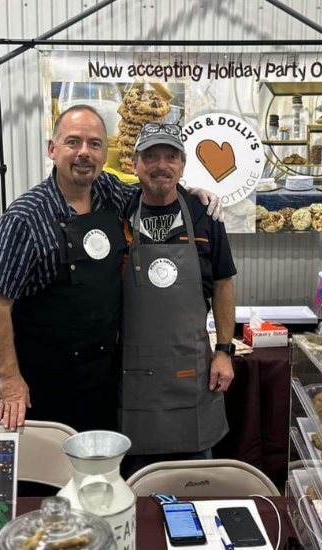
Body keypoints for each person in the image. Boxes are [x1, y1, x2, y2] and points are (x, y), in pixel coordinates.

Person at [0, 105, 221, 432]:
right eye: (73, 142)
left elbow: (151, 187)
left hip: (104, 376)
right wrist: (10, 379)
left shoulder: (109, 192)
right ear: (52, 149)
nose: (84, 153)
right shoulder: (24, 218)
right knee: (51, 478)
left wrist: (191, 191)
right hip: (45, 381)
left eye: (94, 144)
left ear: (104, 154)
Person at [120, 122, 237, 476]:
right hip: (134, 371)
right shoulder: (118, 211)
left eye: (171, 156)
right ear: (136, 165)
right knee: (137, 487)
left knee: (199, 482)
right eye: (151, 156)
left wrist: (224, 351)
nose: (161, 165)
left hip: (193, 368)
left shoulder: (204, 215)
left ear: (183, 165)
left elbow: (223, 284)